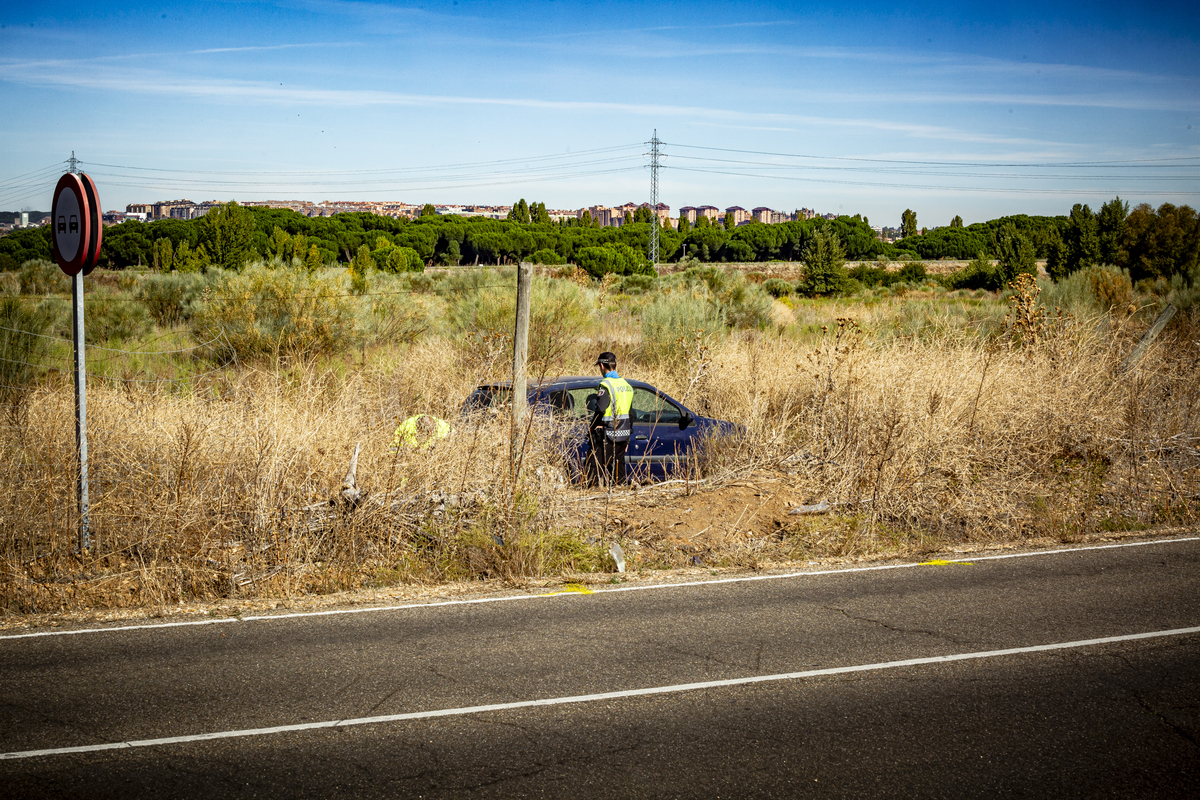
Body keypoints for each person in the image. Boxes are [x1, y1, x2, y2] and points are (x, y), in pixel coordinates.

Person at [587, 351, 634, 487]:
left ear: (602, 366)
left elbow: (600, 409)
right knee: (618, 472)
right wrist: (628, 438)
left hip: (606, 435)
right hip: (623, 435)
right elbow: (630, 414)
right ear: (616, 365)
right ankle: (619, 495)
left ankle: (593, 497)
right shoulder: (627, 385)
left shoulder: (606, 384)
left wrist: (592, 427)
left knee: (593, 469)